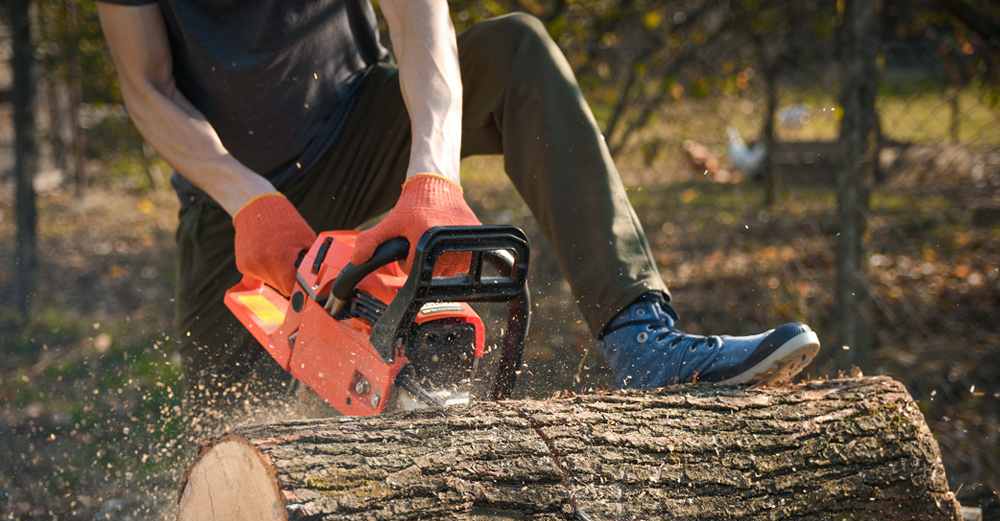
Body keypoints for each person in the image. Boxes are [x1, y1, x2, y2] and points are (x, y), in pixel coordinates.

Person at [95, 0, 820, 421]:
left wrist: (431, 178)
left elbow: (422, 24)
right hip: (230, 208)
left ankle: (641, 343)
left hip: (357, 129)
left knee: (514, 51)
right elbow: (147, 86)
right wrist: (245, 197)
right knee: (228, 452)